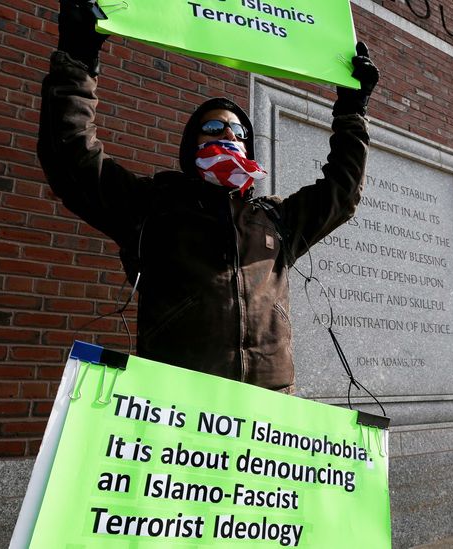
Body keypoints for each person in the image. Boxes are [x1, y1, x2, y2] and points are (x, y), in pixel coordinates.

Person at [38, 0, 379, 393]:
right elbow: (71, 155)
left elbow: (343, 189)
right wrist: (78, 60)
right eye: (214, 127)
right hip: (178, 408)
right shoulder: (152, 205)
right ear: (192, 145)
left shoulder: (276, 220)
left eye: (238, 133)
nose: (228, 137)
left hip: (268, 411)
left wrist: (353, 112)